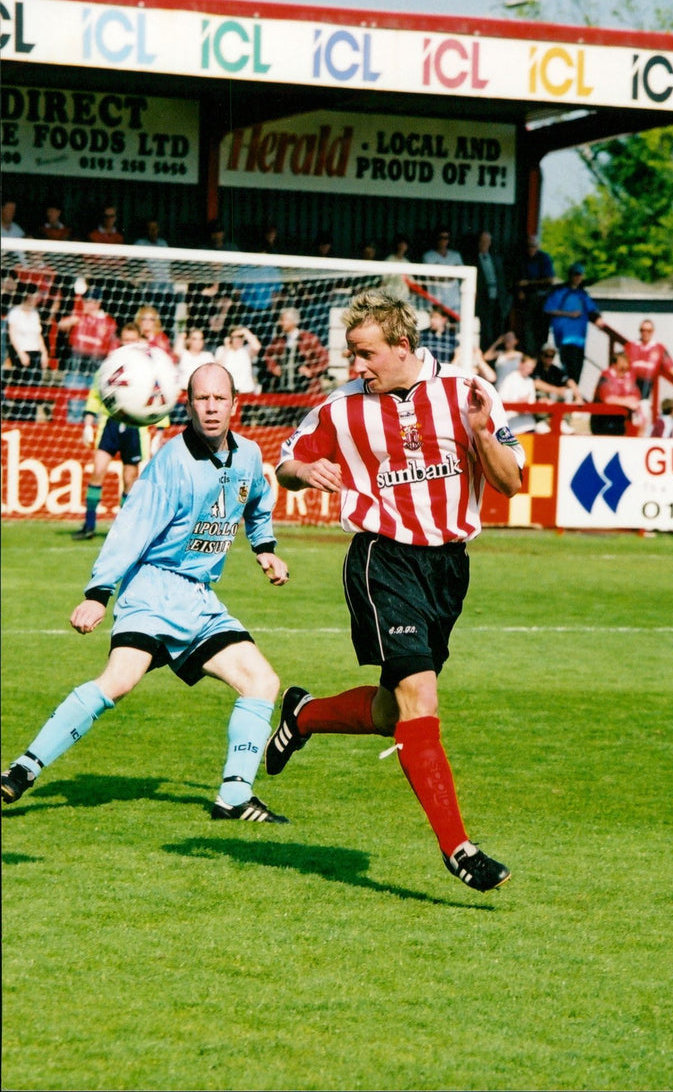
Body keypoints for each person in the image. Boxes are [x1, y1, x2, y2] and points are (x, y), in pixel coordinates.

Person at [268, 290, 525, 893]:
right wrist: (304, 471)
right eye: (352, 354)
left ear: (402, 346)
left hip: (447, 569)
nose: (356, 366)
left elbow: (511, 482)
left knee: (392, 713)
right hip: (382, 559)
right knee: (420, 698)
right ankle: (458, 847)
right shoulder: (340, 409)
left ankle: (304, 715)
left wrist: (482, 436)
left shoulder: (467, 392)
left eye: (365, 354)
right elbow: (283, 464)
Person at [1, 362, 290, 825]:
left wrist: (265, 549)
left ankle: (234, 798)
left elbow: (257, 503)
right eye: (202, 399)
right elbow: (130, 530)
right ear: (189, 404)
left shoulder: (250, 456)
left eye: (220, 398)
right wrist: (98, 593)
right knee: (118, 681)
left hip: (198, 600)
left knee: (262, 682)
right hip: (153, 590)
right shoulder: (170, 464)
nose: (211, 407)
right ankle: (22, 769)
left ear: (236, 404)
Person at [72, 324, 169, 541]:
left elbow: (158, 397)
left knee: (130, 478)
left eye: (132, 340)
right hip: (111, 423)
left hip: (135, 427)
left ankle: (124, 531)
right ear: (120, 341)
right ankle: (89, 525)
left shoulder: (147, 367)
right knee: (98, 470)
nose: (128, 344)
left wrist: (160, 432)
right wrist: (88, 423)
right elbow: (95, 395)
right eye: (125, 340)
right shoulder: (110, 365)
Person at [58, 286, 118, 423]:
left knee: (94, 404)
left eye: (89, 301)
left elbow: (112, 349)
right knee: (74, 404)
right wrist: (77, 316)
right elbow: (61, 325)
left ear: (97, 303)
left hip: (96, 370)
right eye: (85, 301)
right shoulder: (79, 317)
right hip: (76, 368)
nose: (86, 304)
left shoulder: (108, 322)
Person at [544, 263, 606, 386]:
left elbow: (592, 310)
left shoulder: (582, 294)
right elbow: (548, 308)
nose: (577, 278)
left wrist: (598, 319)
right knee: (568, 366)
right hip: (565, 336)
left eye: (580, 275)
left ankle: (573, 394)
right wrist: (569, 314)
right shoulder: (561, 291)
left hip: (579, 338)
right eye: (575, 274)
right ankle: (569, 392)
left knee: (578, 367)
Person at [3, 282, 49, 420]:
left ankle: (31, 418)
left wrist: (44, 353)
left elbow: (38, 335)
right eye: (36, 294)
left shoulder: (35, 313)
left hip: (35, 353)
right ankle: (18, 418)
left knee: (34, 388)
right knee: (22, 387)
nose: (38, 297)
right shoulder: (15, 312)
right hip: (22, 354)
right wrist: (21, 353)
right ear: (28, 295)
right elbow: (12, 335)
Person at [260, 306, 328, 395]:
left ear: (294, 322)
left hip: (307, 391)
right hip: (283, 390)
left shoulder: (309, 339)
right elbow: (268, 356)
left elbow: (324, 358)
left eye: (283, 320)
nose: (280, 323)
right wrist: (274, 368)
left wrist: (311, 371)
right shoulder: (279, 341)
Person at [625, 319, 673, 400]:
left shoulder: (659, 348)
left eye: (648, 331)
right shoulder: (631, 346)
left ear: (653, 332)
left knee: (643, 405)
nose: (645, 333)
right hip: (630, 385)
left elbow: (669, 364)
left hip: (647, 385)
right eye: (642, 330)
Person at [513, 234, 555, 356]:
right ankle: (530, 355)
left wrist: (529, 283)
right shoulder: (521, 259)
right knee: (527, 331)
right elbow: (517, 279)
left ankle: (540, 357)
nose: (530, 248)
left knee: (541, 331)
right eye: (528, 246)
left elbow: (549, 279)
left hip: (541, 299)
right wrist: (520, 290)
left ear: (537, 246)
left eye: (533, 246)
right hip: (527, 300)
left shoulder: (544, 258)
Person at [470, 230, 511, 351]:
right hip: (483, 299)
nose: (485, 244)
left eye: (487, 241)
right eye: (482, 241)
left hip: (497, 298)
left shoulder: (496, 258)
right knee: (484, 328)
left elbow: (502, 280)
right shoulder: (473, 259)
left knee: (497, 327)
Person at [590, 349, 642, 436]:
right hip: (603, 422)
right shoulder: (606, 376)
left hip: (620, 422)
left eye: (626, 369)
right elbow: (607, 398)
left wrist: (622, 400)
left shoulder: (628, 378)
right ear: (614, 365)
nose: (624, 371)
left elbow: (636, 397)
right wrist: (626, 402)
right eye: (621, 368)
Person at [422, 225, 463, 317]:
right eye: (441, 238)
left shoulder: (456, 256)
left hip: (454, 301)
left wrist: (441, 275)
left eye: (446, 238)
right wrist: (452, 274)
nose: (444, 241)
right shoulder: (428, 256)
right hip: (436, 302)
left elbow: (460, 276)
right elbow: (432, 277)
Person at [496, 354, 540, 435]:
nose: (530, 370)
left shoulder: (530, 381)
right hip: (513, 425)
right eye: (528, 367)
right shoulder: (510, 378)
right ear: (521, 364)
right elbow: (500, 401)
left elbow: (532, 402)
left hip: (529, 425)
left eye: (532, 368)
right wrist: (518, 403)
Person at [215, 323, 261, 394]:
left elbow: (257, 347)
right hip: (228, 392)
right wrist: (227, 347)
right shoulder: (221, 350)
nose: (239, 339)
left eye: (241, 337)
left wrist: (245, 331)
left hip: (246, 391)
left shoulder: (246, 350)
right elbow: (218, 367)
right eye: (236, 337)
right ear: (230, 338)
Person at [381, 233, 413, 300]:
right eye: (400, 243)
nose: (402, 246)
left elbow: (411, 282)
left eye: (405, 244)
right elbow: (384, 282)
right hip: (391, 297)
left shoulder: (407, 262)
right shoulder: (389, 260)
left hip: (404, 298)